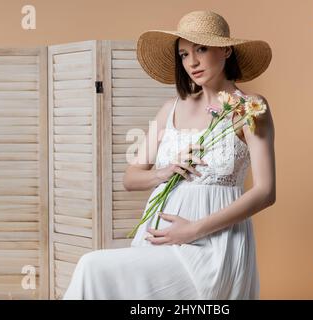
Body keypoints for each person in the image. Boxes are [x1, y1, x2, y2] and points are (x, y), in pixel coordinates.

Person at [63, 10, 276, 300]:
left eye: (201, 49)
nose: (192, 62)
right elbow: (130, 177)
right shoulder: (171, 109)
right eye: (184, 54)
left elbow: (265, 192)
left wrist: (193, 231)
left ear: (226, 49)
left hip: (214, 246)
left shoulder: (249, 107)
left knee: (92, 266)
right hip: (159, 239)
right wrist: (166, 172)